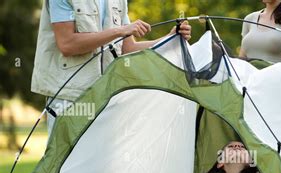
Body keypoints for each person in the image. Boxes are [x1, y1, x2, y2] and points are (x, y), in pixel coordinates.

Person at [31, 0, 192, 135]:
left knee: (102, 169)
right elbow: (67, 44)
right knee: (67, 170)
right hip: (70, 99)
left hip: (106, 98)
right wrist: (119, 31)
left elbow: (126, 49)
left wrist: (168, 40)